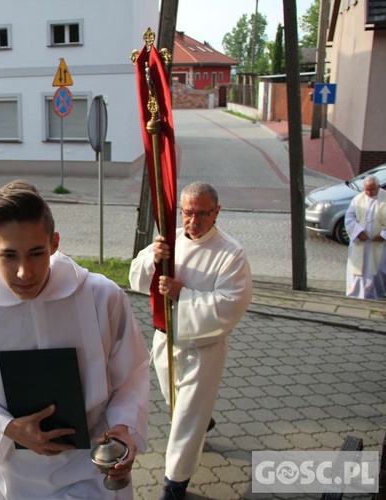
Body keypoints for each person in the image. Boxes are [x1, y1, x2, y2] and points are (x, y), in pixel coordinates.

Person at [0, 180, 149, 499]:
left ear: (55, 243)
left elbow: (130, 372)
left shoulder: (102, 297)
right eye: (9, 256)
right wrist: (7, 427)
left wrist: (122, 426)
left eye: (36, 253)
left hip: (93, 461)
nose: (24, 273)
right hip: (20, 472)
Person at [129, 182, 252, 500]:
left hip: (202, 349)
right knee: (175, 402)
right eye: (187, 212)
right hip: (165, 339)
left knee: (183, 419)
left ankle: (175, 483)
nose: (193, 221)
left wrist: (184, 294)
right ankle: (204, 421)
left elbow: (230, 305)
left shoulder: (230, 254)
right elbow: (137, 279)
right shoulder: (169, 240)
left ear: (217, 212)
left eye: (202, 213)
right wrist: (153, 260)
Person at [345, 174, 386, 299]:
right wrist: (358, 232)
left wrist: (383, 235)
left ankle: (377, 293)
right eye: (366, 189)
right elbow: (349, 217)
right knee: (358, 269)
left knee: (378, 269)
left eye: (371, 189)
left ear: (378, 187)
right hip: (361, 243)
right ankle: (357, 293)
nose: (368, 192)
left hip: (379, 243)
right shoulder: (357, 199)